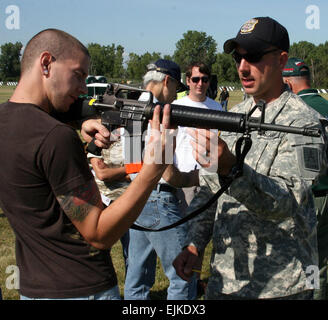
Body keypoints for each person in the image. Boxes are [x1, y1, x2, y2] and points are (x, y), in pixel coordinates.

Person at [0, 29, 174, 300]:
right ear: (46, 63)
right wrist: (150, 173)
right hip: (83, 286)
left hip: (35, 288)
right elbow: (98, 233)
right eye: (78, 75)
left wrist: (78, 123)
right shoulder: (55, 137)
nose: (84, 89)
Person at [171, 17, 327, 299]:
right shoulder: (232, 117)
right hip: (225, 282)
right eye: (237, 58)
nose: (243, 67)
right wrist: (194, 244)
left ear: (281, 61)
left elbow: (288, 202)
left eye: (253, 57)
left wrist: (231, 166)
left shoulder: (305, 124)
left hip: (281, 286)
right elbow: (209, 190)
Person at [124, 59, 197, 300]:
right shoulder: (162, 113)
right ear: (167, 81)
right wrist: (191, 179)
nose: (176, 94)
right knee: (184, 274)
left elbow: (132, 163)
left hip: (136, 199)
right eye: (176, 87)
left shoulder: (133, 106)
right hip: (160, 199)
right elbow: (166, 172)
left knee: (137, 278)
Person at [172, 62, 222, 295]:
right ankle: (182, 282)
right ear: (188, 80)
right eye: (195, 79)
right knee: (182, 236)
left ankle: (195, 282)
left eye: (204, 79)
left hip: (208, 179)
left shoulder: (217, 108)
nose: (200, 83)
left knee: (200, 234)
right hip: (181, 178)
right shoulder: (176, 106)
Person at [283, 57, 328, 300]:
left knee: (304, 260)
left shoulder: (296, 111)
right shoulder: (325, 105)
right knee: (320, 260)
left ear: (288, 83)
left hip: (309, 196)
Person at [88, 130, 130, 275]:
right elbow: (102, 174)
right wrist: (128, 170)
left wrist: (127, 172)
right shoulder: (99, 140)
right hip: (103, 202)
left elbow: (138, 172)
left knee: (131, 252)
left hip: (128, 203)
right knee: (98, 250)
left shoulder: (134, 137)